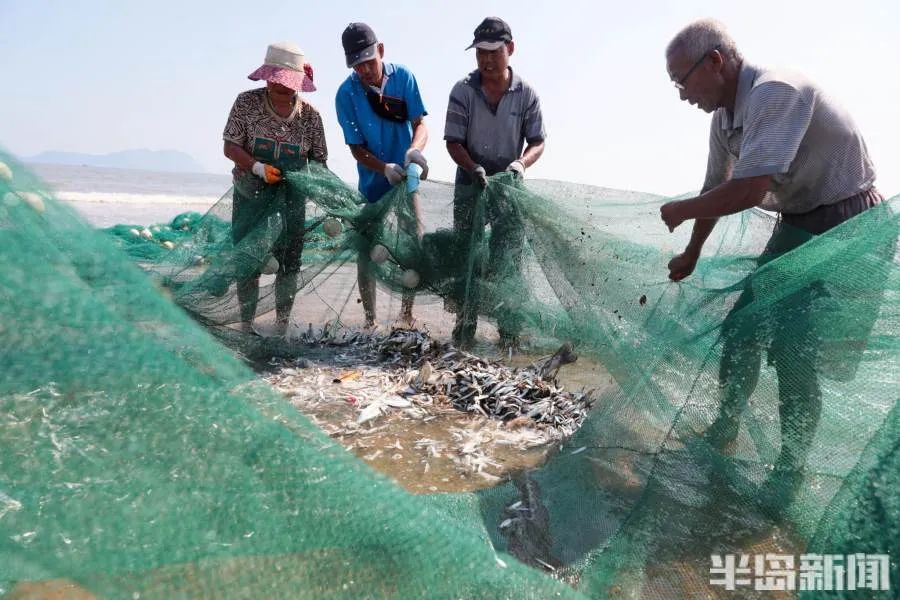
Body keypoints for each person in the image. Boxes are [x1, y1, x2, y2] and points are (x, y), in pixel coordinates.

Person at [660, 19, 884, 512]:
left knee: (793, 347)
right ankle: (727, 423)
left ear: (715, 62)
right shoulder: (723, 120)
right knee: (743, 325)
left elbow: (747, 191)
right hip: (798, 223)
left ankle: (791, 467)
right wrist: (693, 252)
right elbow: (714, 190)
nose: (681, 95)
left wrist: (679, 212)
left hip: (849, 224)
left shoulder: (774, 92)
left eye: (682, 80)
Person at [444, 16, 546, 350]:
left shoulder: (526, 93)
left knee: (508, 260)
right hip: (470, 181)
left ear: (510, 50)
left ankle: (509, 334)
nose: (486, 59)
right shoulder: (462, 91)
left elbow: (538, 142)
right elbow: (453, 142)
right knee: (466, 255)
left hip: (509, 186)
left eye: (493, 52)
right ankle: (465, 326)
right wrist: (473, 167)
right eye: (480, 53)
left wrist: (520, 163)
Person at [223, 42, 327, 335]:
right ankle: (247, 324)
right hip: (250, 196)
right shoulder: (246, 104)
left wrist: (331, 198)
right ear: (267, 77)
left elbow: (319, 163)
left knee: (289, 262)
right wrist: (257, 167)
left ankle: (282, 324)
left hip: (292, 200)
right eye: (277, 81)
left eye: (288, 82)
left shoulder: (311, 117)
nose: (282, 87)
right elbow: (230, 146)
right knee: (248, 261)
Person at [335, 22, 429, 330]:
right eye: (357, 65)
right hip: (373, 183)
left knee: (414, 241)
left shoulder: (404, 78)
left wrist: (414, 151)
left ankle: (406, 315)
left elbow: (421, 124)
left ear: (382, 50)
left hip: (407, 180)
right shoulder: (346, 94)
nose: (364, 70)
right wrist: (383, 168)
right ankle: (370, 320)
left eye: (369, 62)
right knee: (367, 248)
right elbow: (356, 149)